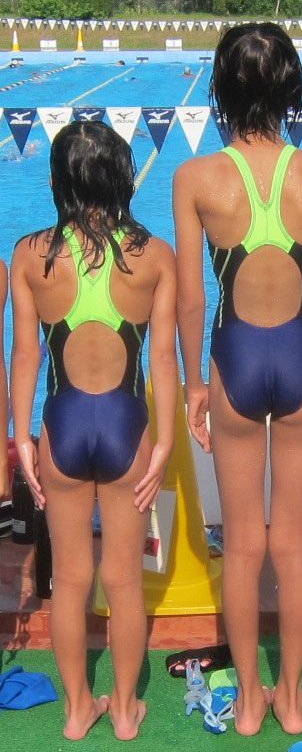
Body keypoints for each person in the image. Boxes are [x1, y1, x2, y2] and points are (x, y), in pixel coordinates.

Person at [173, 22, 302, 735]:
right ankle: (291, 697)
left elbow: (193, 298)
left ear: (220, 88)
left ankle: (248, 699)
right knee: (294, 544)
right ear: (292, 90)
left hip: (235, 361)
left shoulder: (196, 178)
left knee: (244, 544)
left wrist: (195, 383)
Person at [10, 121, 176, 741]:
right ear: (123, 178)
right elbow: (165, 359)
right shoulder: (155, 256)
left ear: (57, 182)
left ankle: (79, 709)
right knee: (124, 580)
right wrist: (163, 442)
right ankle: (126, 710)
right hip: (128, 429)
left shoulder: (31, 256)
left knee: (71, 580)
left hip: (63, 427)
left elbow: (26, 355)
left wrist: (22, 438)